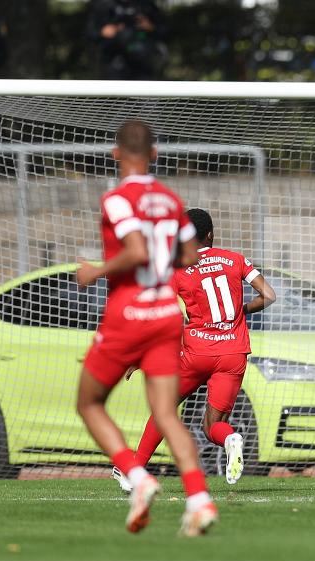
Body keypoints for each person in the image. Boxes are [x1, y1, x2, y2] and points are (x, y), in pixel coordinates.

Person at [76, 120, 217, 536]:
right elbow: (190, 256)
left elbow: (135, 250)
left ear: (116, 153)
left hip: (128, 315)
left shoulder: (118, 199)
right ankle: (199, 499)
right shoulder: (172, 200)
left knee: (89, 403)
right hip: (166, 316)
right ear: (154, 154)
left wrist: (96, 271)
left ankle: (137, 477)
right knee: (166, 412)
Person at [113, 208, 276, 492]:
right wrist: (242, 311)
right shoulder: (235, 259)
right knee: (213, 424)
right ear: (211, 234)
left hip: (196, 353)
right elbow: (270, 295)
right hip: (234, 353)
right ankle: (229, 439)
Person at [87, 0, 166, 80]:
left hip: (143, 63)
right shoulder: (104, 5)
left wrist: (150, 27)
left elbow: (164, 31)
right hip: (112, 62)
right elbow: (90, 33)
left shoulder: (146, 5)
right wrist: (102, 32)